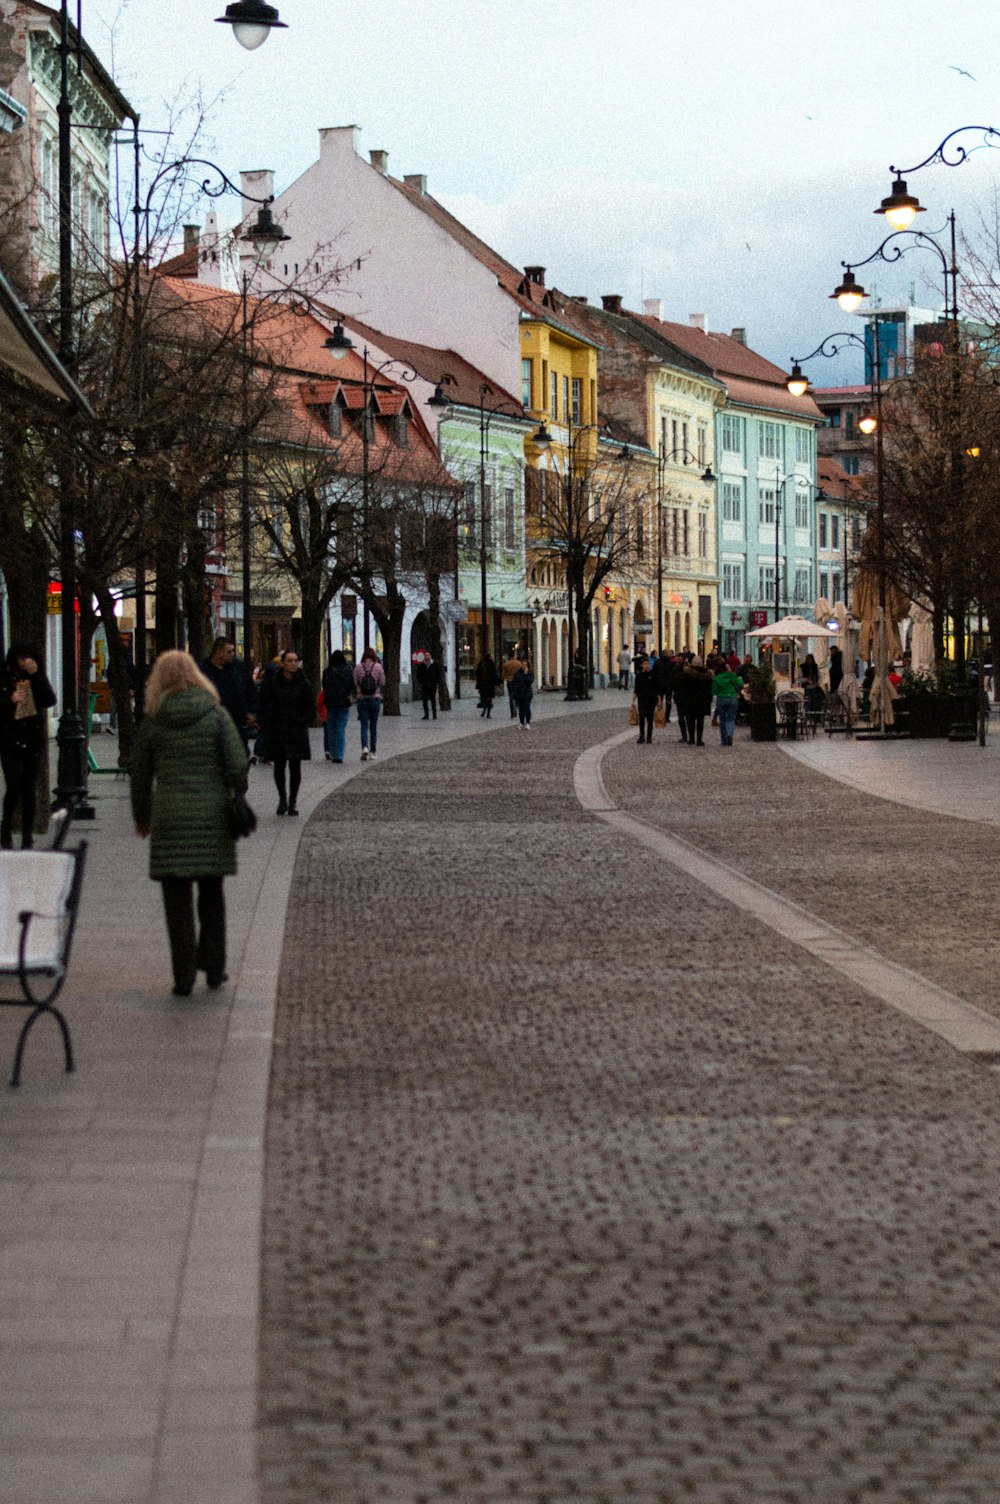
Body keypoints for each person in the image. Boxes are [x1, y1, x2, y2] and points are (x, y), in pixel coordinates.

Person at [130, 650, 248, 997]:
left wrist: (142, 815)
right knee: (212, 894)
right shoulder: (215, 714)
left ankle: (183, 975)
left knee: (176, 901)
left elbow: (140, 775)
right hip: (211, 814)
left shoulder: (153, 719)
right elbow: (238, 763)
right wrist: (232, 791)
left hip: (169, 817)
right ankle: (214, 968)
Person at [0, 641, 57, 850]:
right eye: (21, 658)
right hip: (9, 740)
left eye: (28, 658)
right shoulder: (5, 676)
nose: (24, 662)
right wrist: (10, 698)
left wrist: (36, 675)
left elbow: (49, 699)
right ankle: (5, 827)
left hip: (32, 740)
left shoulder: (35, 677)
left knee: (29, 789)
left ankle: (27, 836)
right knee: (14, 786)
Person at [259, 650, 313, 814]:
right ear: (282, 663)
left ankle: (293, 802)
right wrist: (267, 719)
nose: (293, 664)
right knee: (279, 766)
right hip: (278, 729)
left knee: (295, 767)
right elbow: (264, 702)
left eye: (295, 661)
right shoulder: (273, 682)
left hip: (296, 730)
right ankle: (282, 799)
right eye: (289, 661)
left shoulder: (304, 683)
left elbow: (310, 707)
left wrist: (302, 719)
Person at [199, 636, 258, 753]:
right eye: (229, 651)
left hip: (237, 723)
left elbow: (251, 690)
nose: (233, 654)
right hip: (213, 723)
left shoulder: (238, 668)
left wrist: (252, 711)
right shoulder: (203, 670)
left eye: (233, 651)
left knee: (240, 754)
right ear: (218, 652)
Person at [321, 649, 354, 764]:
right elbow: (352, 685)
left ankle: (332, 752)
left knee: (331, 728)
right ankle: (339, 755)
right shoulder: (348, 670)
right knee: (340, 728)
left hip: (330, 703)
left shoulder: (327, 671)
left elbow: (324, 686)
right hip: (344, 703)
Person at [354, 646, 386, 760]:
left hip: (361, 698)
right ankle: (373, 751)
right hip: (375, 698)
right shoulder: (378, 667)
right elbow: (382, 682)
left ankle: (364, 748)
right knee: (373, 726)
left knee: (363, 725)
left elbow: (355, 682)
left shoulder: (358, 667)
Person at [680, 655, 714, 746]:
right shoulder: (708, 674)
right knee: (700, 720)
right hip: (702, 700)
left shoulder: (687, 673)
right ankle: (699, 739)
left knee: (690, 720)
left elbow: (682, 686)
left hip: (690, 699)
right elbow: (710, 688)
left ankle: (691, 739)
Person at [712, 659, 743, 746]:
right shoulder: (731, 675)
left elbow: (714, 691)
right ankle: (730, 734)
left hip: (721, 698)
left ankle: (724, 740)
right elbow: (740, 684)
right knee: (731, 719)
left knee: (722, 720)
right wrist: (740, 679)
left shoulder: (717, 678)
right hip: (732, 698)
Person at [632, 655, 659, 744]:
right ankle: (641, 735)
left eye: (648, 663)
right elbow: (636, 689)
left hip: (651, 700)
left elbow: (657, 689)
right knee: (642, 718)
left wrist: (659, 701)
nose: (647, 665)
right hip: (642, 700)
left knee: (650, 719)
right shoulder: (639, 676)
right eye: (645, 664)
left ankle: (649, 737)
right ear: (642, 665)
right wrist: (633, 701)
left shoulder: (653, 675)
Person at [416, 653, 442, 720]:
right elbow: (418, 675)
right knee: (424, 700)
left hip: (432, 685)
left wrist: (435, 681)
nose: (427, 657)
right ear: (424, 657)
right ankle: (426, 715)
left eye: (428, 655)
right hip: (424, 685)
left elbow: (438, 674)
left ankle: (434, 714)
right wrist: (421, 682)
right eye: (426, 655)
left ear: (430, 656)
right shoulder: (421, 665)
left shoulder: (434, 665)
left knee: (433, 700)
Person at [475, 653, 501, 718]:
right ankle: (488, 714)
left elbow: (478, 675)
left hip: (483, 685)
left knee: (484, 698)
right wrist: (497, 682)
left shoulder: (481, 663)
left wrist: (478, 684)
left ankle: (484, 710)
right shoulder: (491, 663)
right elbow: (494, 673)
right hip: (490, 685)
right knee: (489, 699)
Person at [511, 658, 534, 728]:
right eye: (523, 664)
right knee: (521, 709)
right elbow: (514, 681)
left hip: (527, 693)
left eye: (525, 665)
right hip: (519, 693)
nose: (524, 666)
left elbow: (530, 681)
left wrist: (526, 674)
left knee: (527, 708)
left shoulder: (530, 673)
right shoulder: (517, 672)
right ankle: (521, 722)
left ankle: (527, 722)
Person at [502, 647, 522, 718]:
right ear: (514, 655)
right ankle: (515, 707)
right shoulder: (519, 664)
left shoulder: (506, 664)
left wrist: (507, 677)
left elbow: (503, 675)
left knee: (511, 696)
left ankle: (512, 712)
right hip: (517, 682)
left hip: (510, 681)